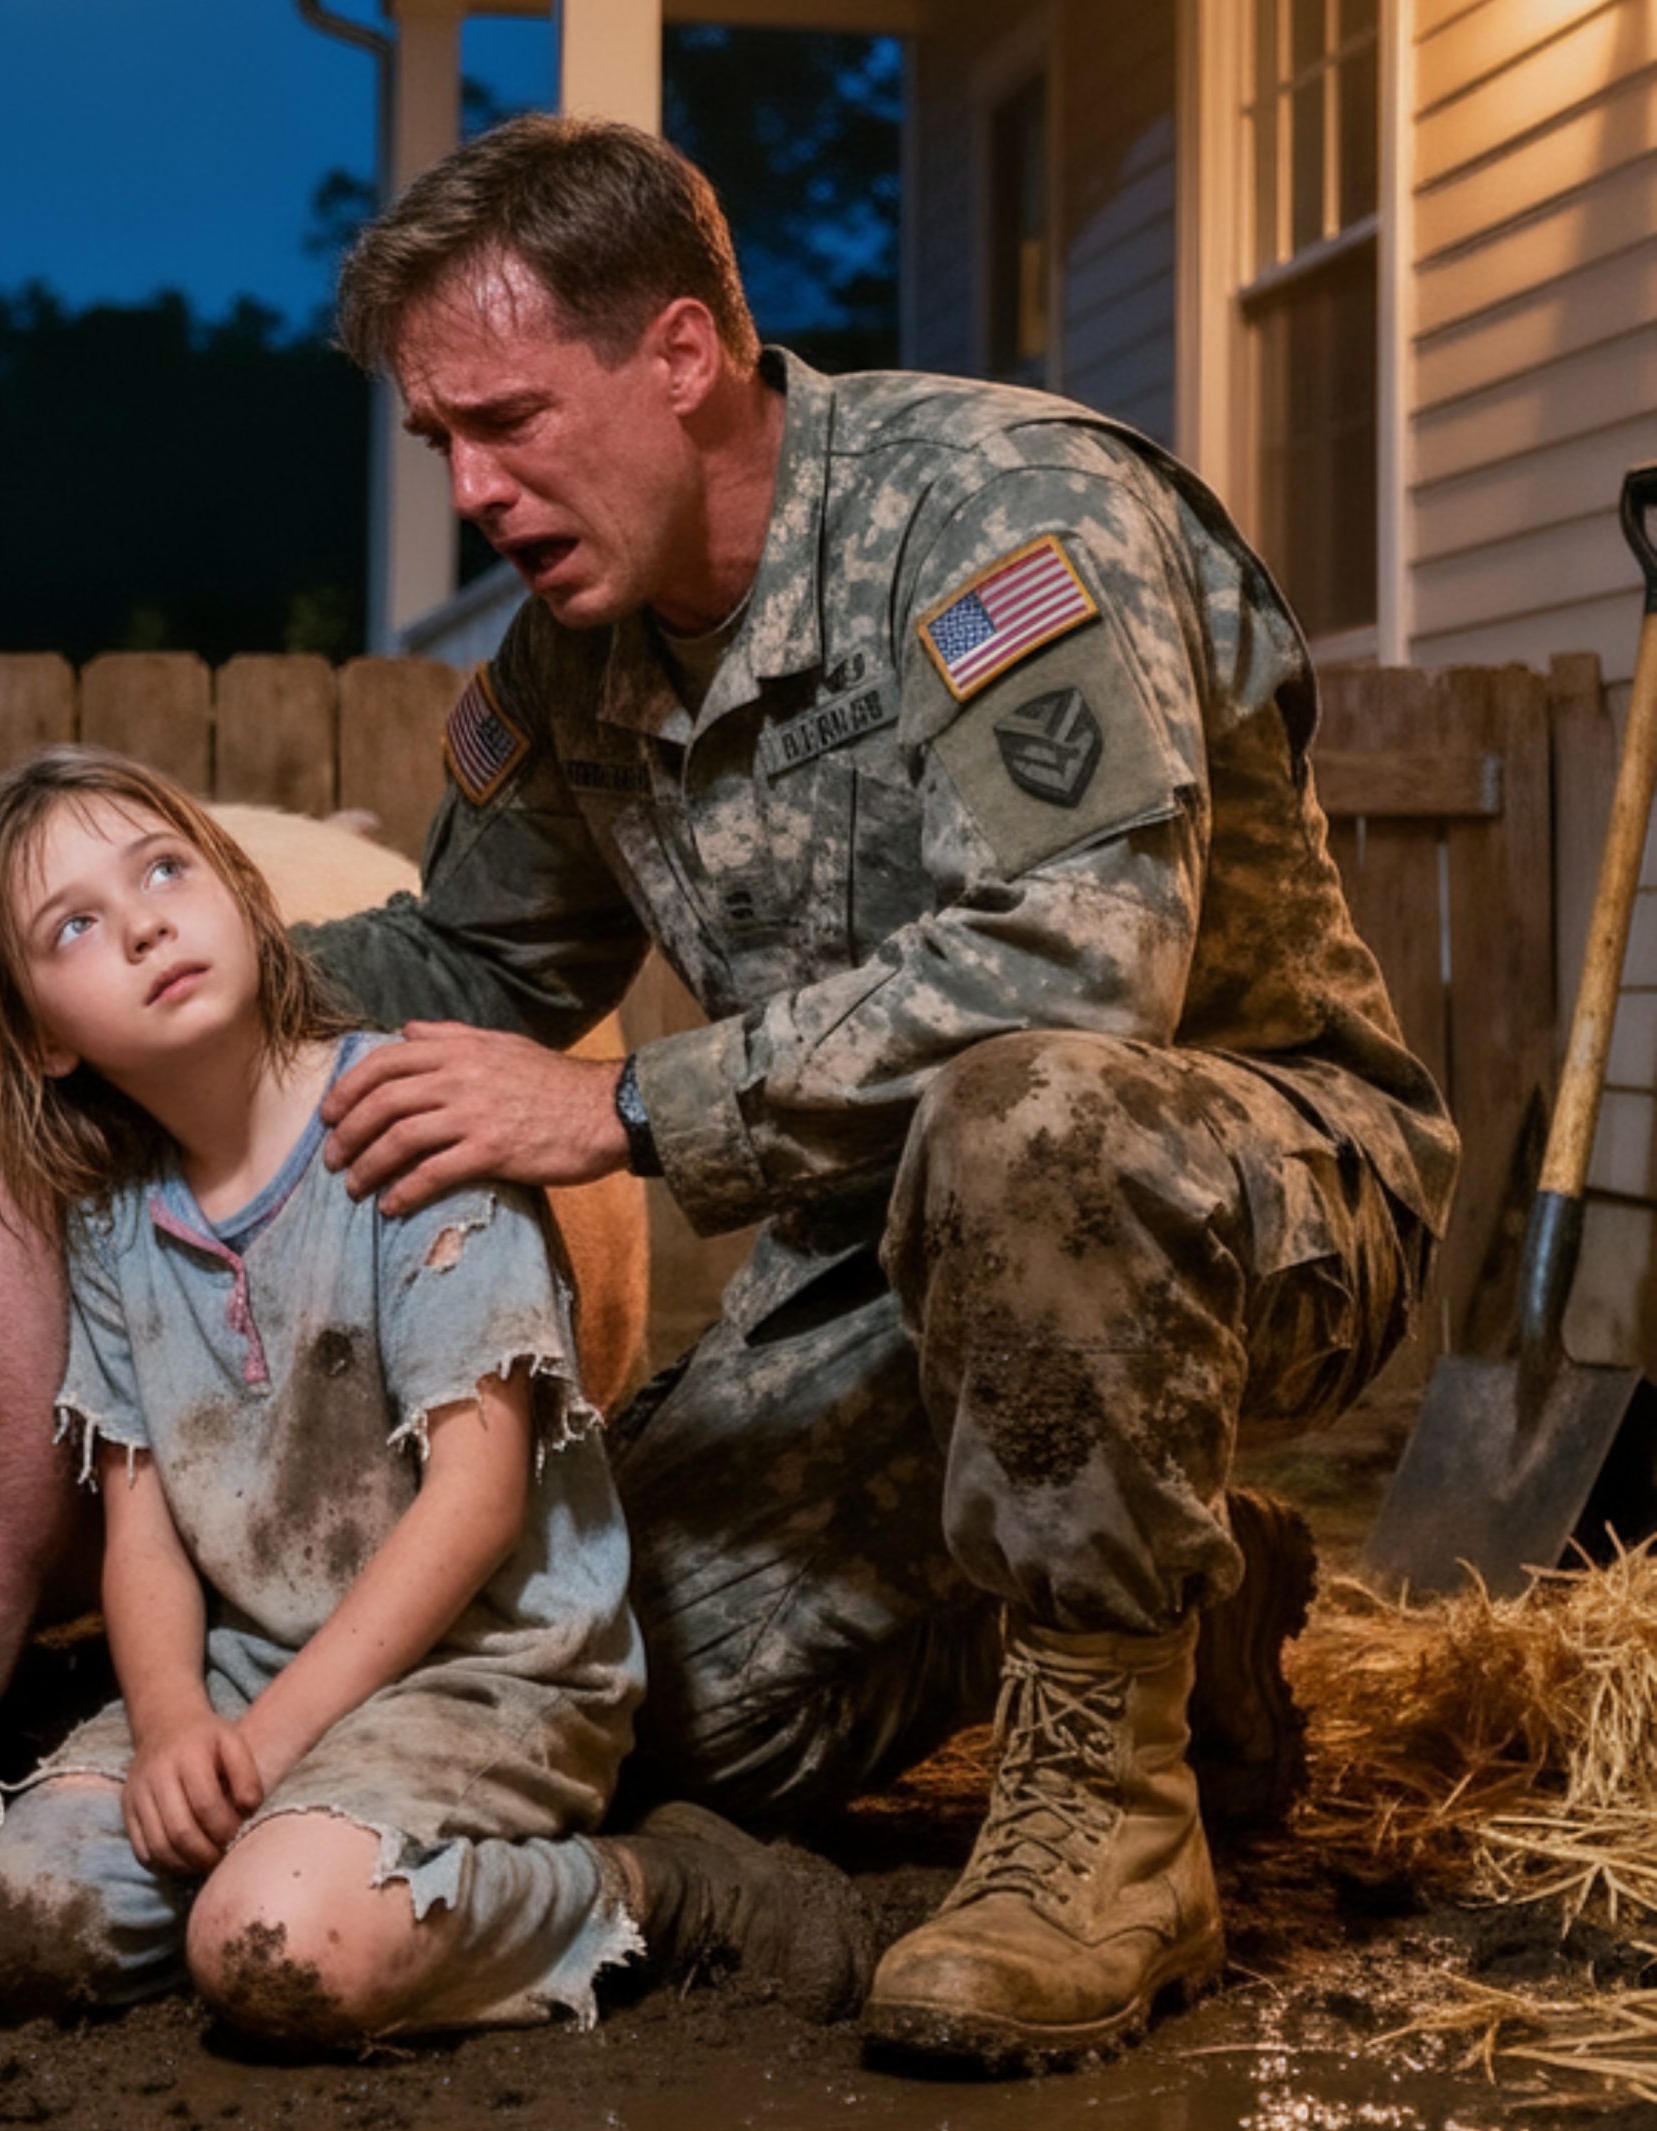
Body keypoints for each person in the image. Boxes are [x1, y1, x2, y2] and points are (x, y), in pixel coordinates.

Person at [299, 114, 1459, 2070]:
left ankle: (1106, 1823)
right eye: (438, 447)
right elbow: (474, 973)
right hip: (891, 1259)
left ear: (679, 353)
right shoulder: (576, 659)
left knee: (1032, 1113)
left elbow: (1072, 966)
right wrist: (111, 963)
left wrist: (622, 1114)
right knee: (618, 1695)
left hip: (1234, 1183)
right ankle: (1193, 1583)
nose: (473, 491)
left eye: (503, 420)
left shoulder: (999, 516)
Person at [0, 745, 871, 2045]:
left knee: (270, 1948)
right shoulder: (115, 1219)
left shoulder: (410, 1125)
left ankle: (661, 1886)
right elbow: (140, 1534)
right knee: (21, 1922)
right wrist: (180, 1723)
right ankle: (337, 1876)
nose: (143, 926)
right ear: (37, 1036)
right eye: (74, 925)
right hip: (252, 1676)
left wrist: (279, 1739)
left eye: (165, 871)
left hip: (492, 1670)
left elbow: (473, 1504)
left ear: (242, 894)